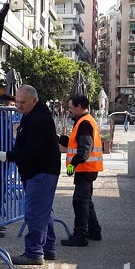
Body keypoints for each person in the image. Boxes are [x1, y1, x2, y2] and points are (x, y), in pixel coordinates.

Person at [0, 85, 60, 265]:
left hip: (39, 172)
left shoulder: (37, 119)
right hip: (43, 171)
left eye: (23, 103)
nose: (18, 106)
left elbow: (30, 150)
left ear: (34, 101)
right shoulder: (34, 116)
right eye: (17, 102)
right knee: (44, 212)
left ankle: (34, 253)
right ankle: (47, 248)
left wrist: (6, 156)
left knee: (35, 213)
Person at [60, 94, 103, 247]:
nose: (69, 111)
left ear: (79, 107)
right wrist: (59, 138)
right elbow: (75, 144)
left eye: (71, 107)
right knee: (86, 200)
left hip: (85, 168)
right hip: (88, 168)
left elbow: (84, 149)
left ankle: (80, 235)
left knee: (79, 201)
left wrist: (72, 164)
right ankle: (94, 231)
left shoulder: (84, 123)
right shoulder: (85, 121)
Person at [0, 92, 17, 238]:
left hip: (0, 159)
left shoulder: (0, 117)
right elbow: (2, 140)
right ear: (5, 105)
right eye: (12, 106)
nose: (14, 110)